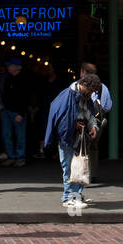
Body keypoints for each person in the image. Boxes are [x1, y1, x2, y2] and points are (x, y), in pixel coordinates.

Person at [44, 73, 102, 208]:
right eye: (92, 90)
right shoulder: (68, 95)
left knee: (79, 166)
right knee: (70, 168)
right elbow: (62, 119)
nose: (92, 93)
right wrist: (74, 124)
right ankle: (69, 197)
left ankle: (76, 196)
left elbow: (88, 112)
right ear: (85, 86)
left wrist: (93, 125)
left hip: (78, 135)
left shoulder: (80, 94)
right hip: (69, 137)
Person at [79, 62, 112, 177]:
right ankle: (92, 174)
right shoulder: (104, 88)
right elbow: (108, 107)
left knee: (80, 146)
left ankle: (81, 174)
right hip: (100, 121)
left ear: (83, 72)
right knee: (93, 147)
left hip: (83, 121)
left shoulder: (80, 86)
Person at [0, 59, 30, 167]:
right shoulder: (8, 78)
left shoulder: (24, 79)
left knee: (20, 135)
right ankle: (11, 156)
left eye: (11, 66)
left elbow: (26, 97)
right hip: (7, 110)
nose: (8, 68)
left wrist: (21, 113)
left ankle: (20, 157)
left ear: (17, 67)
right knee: (6, 134)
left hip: (17, 111)